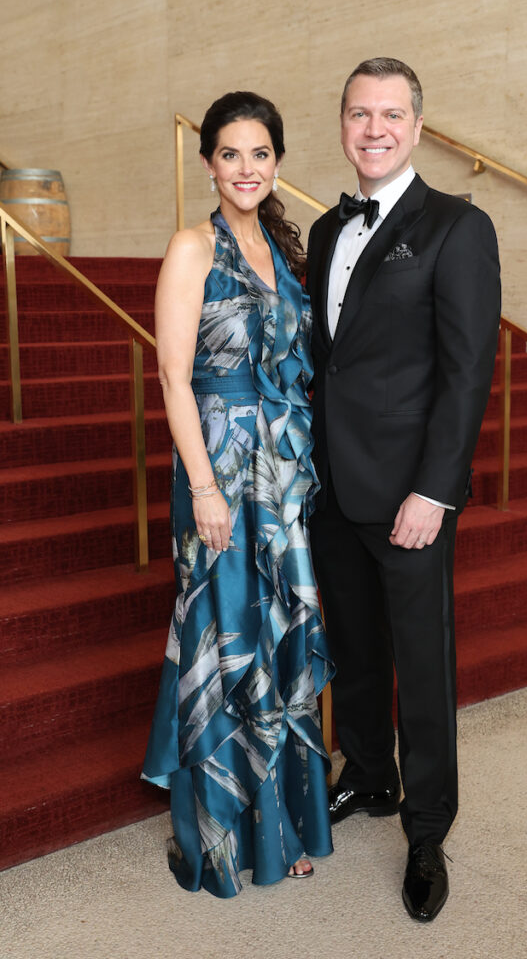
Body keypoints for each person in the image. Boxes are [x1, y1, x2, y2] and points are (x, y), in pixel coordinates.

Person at [307, 58, 501, 921]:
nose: (373, 128)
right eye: (358, 113)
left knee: (421, 666)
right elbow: (331, 363)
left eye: (390, 113)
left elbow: (466, 374)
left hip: (411, 494)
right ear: (342, 125)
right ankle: (370, 780)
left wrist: (436, 491)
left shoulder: (459, 227)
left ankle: (426, 833)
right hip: (333, 486)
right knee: (354, 649)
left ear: (417, 127)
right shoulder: (323, 233)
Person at [142, 91, 334, 897]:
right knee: (227, 644)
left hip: (283, 478)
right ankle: (219, 838)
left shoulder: (282, 253)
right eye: (230, 154)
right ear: (208, 163)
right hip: (220, 472)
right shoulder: (193, 248)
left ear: (277, 163)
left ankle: (279, 822)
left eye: (260, 154)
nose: (246, 168)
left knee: (277, 643)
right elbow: (172, 376)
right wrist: (204, 486)